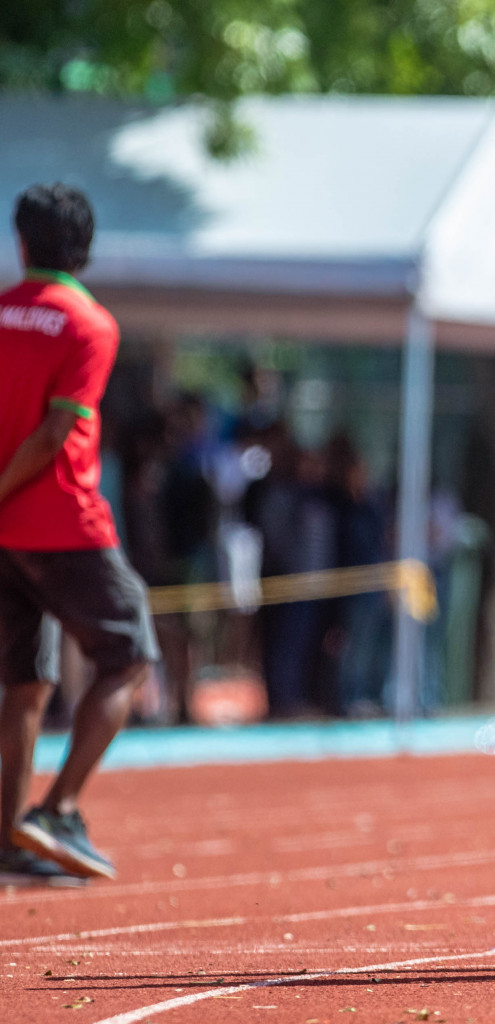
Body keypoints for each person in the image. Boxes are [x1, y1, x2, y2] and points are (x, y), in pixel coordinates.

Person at [0, 184, 160, 884]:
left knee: (24, 683)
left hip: (4, 537)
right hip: (62, 520)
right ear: (84, 249)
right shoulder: (88, 324)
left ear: (23, 244)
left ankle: (8, 842)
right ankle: (57, 809)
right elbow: (54, 434)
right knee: (128, 654)